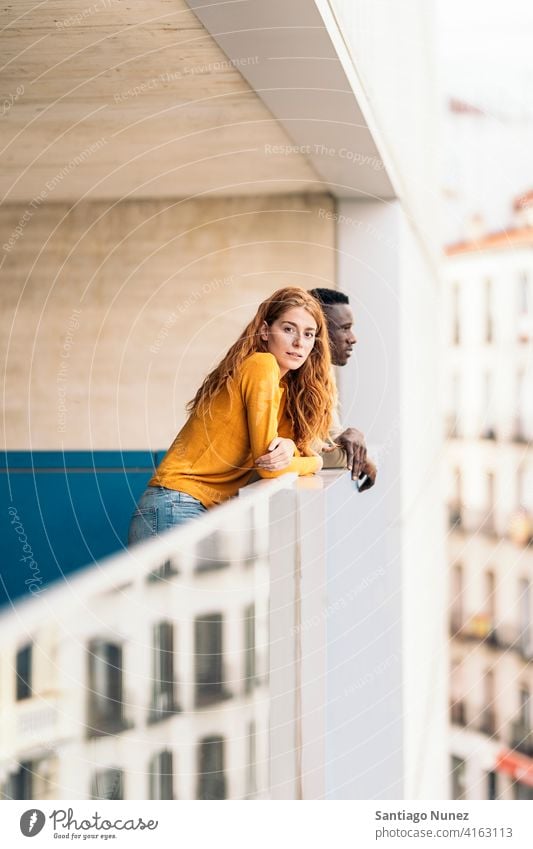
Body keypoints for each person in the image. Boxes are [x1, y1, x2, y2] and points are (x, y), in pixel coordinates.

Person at [128, 287, 334, 544]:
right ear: (265, 330)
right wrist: (315, 463)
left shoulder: (282, 390)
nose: (299, 343)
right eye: (289, 329)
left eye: (309, 334)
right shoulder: (262, 365)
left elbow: (284, 456)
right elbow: (270, 467)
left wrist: (292, 446)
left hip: (192, 509)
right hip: (176, 505)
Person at [309, 287, 377, 491]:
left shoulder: (323, 371)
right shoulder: (284, 375)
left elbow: (329, 435)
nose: (352, 338)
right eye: (344, 328)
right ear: (319, 331)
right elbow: (301, 452)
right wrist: (357, 457)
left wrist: (351, 437)